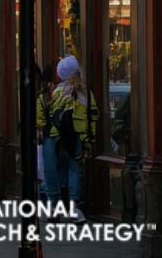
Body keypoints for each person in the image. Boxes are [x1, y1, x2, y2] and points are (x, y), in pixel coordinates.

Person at [41, 55, 96, 219]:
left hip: (55, 136)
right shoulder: (85, 93)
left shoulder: (56, 92)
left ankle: (55, 207)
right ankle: (74, 207)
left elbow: (48, 114)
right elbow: (91, 117)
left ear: (60, 74)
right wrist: (88, 140)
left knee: (53, 169)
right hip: (76, 136)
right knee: (74, 170)